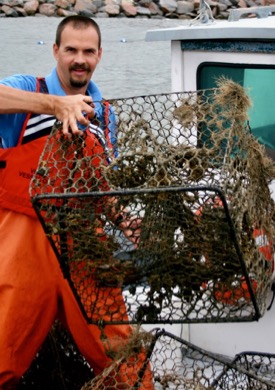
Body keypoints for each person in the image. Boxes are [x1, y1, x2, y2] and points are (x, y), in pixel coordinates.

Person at [0, 15, 153, 389]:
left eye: (87, 51)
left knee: (121, 355)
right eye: (71, 50)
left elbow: (101, 185)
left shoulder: (105, 114)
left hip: (84, 247)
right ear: (56, 51)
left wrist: (122, 218)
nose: (78, 59)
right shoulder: (26, 89)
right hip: (23, 247)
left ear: (99, 55)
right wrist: (55, 105)